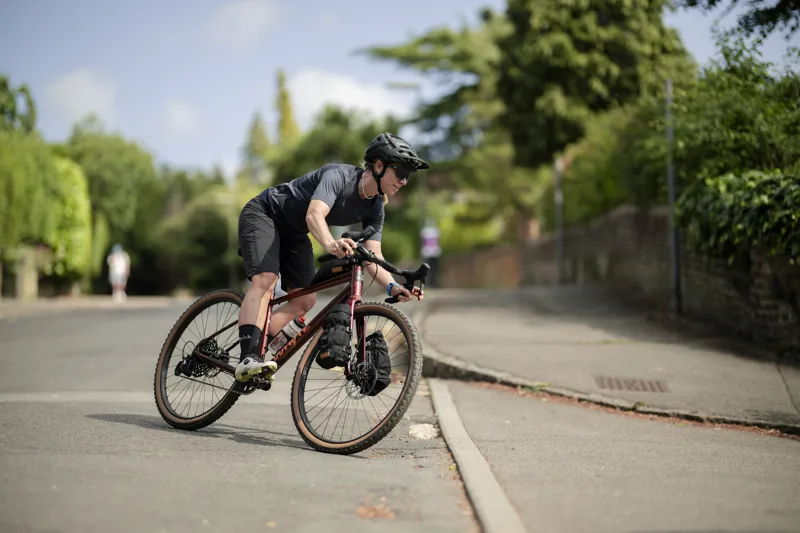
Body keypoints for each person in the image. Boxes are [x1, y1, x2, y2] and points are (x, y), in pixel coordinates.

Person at [234, 132, 428, 383]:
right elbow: (314, 215)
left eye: (408, 176)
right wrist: (330, 243)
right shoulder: (339, 177)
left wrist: (393, 286)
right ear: (379, 166)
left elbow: (373, 255)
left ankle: (260, 344)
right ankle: (248, 358)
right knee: (266, 280)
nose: (403, 181)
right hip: (264, 213)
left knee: (305, 300)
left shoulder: (375, 207)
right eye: (401, 173)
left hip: (294, 232)